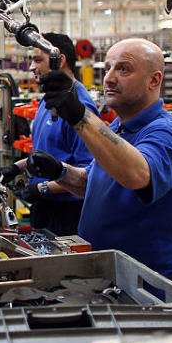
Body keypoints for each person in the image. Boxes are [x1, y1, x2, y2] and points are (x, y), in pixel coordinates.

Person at [9, 38, 172, 292]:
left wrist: (80, 116)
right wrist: (60, 172)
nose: (108, 78)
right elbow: (96, 185)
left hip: (153, 290)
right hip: (113, 279)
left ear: (154, 80)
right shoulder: (118, 128)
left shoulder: (168, 133)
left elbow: (138, 175)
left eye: (123, 69)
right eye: (108, 67)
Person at [17, 33, 98, 236]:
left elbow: (88, 173)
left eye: (37, 60)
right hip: (46, 207)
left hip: (67, 213)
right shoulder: (50, 98)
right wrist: (14, 168)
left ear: (59, 59)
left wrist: (42, 188)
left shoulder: (80, 106)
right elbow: (48, 152)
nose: (32, 68)